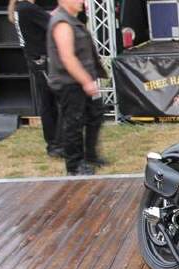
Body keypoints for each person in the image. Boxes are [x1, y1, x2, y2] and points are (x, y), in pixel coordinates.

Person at [47, 0, 107, 175]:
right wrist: (86, 81)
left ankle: (90, 156)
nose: (81, 1)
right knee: (74, 123)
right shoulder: (62, 22)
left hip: (81, 80)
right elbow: (68, 58)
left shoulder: (71, 19)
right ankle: (74, 165)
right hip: (70, 83)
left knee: (95, 115)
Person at [9, 0, 62, 158]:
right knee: (51, 103)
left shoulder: (21, 8)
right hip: (42, 61)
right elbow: (54, 25)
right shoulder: (28, 9)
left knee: (48, 102)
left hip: (35, 60)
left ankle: (56, 142)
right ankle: (55, 143)